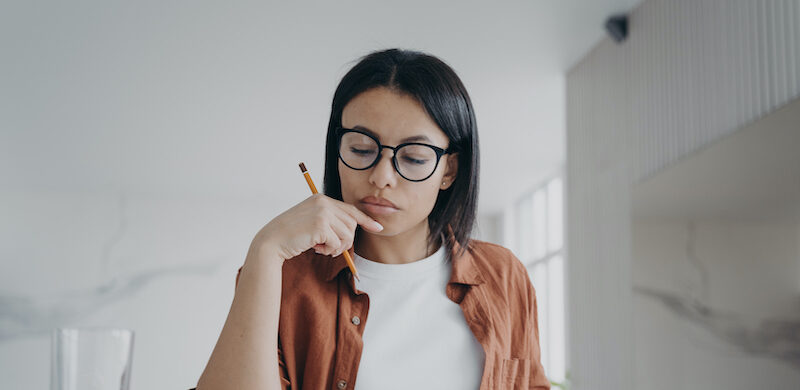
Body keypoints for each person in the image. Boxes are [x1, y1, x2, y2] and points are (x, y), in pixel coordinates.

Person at [193, 48, 549, 390]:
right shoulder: (286, 277)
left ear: (449, 170)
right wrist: (265, 250)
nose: (381, 177)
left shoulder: (503, 274)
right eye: (361, 149)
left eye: (413, 158)